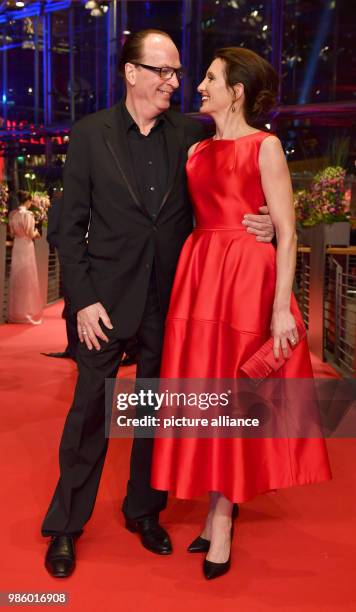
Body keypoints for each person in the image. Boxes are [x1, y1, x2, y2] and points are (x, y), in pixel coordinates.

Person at [41, 30, 274, 578]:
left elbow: (234, 186)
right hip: (104, 302)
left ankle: (144, 511)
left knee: (148, 416)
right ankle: (65, 528)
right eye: (164, 71)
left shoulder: (193, 136)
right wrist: (83, 302)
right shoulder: (89, 134)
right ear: (132, 73)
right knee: (89, 417)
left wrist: (261, 223)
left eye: (177, 72)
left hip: (171, 303)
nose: (175, 81)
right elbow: (67, 230)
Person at [151, 47, 332, 580]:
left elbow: (289, 229)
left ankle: (223, 516)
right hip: (200, 277)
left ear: (237, 90)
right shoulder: (195, 150)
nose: (198, 85)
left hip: (248, 285)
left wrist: (281, 309)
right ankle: (216, 508)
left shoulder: (266, 145)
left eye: (210, 78)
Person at [42, 192, 79, 361]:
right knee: (72, 306)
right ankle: (74, 349)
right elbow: (52, 235)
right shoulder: (60, 202)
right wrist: (71, 248)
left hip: (99, 261)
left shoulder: (100, 196)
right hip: (71, 260)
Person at [7, 190, 43, 325]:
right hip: (27, 247)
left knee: (17, 279)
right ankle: (27, 313)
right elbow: (30, 233)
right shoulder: (28, 214)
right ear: (27, 201)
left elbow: (11, 233)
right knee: (28, 279)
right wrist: (37, 233)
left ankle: (15, 313)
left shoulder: (13, 214)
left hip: (17, 246)